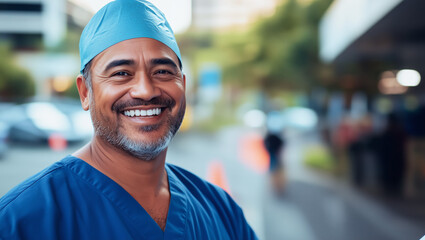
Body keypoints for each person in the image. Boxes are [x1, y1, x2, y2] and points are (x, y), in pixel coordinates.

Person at [0, 0, 258, 239]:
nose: (146, 90)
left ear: (183, 85)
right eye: (122, 73)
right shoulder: (22, 222)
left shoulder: (222, 213)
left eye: (163, 71)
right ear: (85, 92)